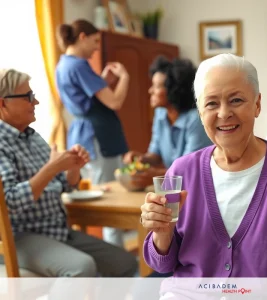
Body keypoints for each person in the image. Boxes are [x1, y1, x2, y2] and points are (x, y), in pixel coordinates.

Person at [140, 54, 267, 283]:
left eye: (236, 100)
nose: (223, 113)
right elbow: (162, 264)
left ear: (257, 104)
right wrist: (162, 233)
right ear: (200, 112)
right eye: (211, 103)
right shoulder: (179, 172)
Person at [0, 69, 137, 277]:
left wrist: (73, 168)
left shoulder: (32, 136)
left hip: (56, 231)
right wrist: (52, 168)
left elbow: (63, 185)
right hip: (20, 237)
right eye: (28, 97)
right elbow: (9, 203)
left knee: (125, 263)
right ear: (3, 104)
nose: (35, 102)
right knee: (80, 268)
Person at [55, 19, 130, 246]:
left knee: (94, 193)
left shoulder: (63, 65)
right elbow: (114, 101)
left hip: (81, 133)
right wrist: (124, 78)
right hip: (98, 135)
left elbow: (87, 98)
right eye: (95, 41)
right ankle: (119, 266)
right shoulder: (79, 65)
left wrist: (103, 81)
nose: (97, 47)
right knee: (110, 199)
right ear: (82, 37)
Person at [123, 56, 211, 189]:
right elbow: (156, 153)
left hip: (199, 189)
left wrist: (155, 177)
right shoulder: (160, 114)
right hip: (175, 189)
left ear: (174, 90)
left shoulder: (196, 120)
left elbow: (190, 168)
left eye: (156, 86)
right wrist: (141, 158)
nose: (150, 90)